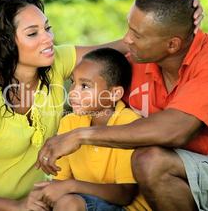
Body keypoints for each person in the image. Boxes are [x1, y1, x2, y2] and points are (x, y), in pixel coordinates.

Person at [0, 0, 203, 211]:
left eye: (47, 28)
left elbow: (125, 46)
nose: (48, 39)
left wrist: (178, 14)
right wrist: (19, 206)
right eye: (33, 33)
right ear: (7, 43)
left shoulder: (55, 63)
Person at [36, 0, 208, 211]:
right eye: (128, 28)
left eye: (137, 34)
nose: (127, 39)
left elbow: (175, 130)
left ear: (172, 44)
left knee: (150, 161)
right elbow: (77, 65)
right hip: (174, 181)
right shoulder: (139, 61)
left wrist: (81, 136)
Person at [36, 48, 151, 211]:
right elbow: (60, 185)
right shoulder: (69, 123)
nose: (73, 93)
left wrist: (70, 186)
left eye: (85, 86)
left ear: (114, 94)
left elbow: (125, 195)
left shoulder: (129, 123)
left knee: (69, 204)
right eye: (73, 82)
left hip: (126, 208)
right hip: (84, 202)